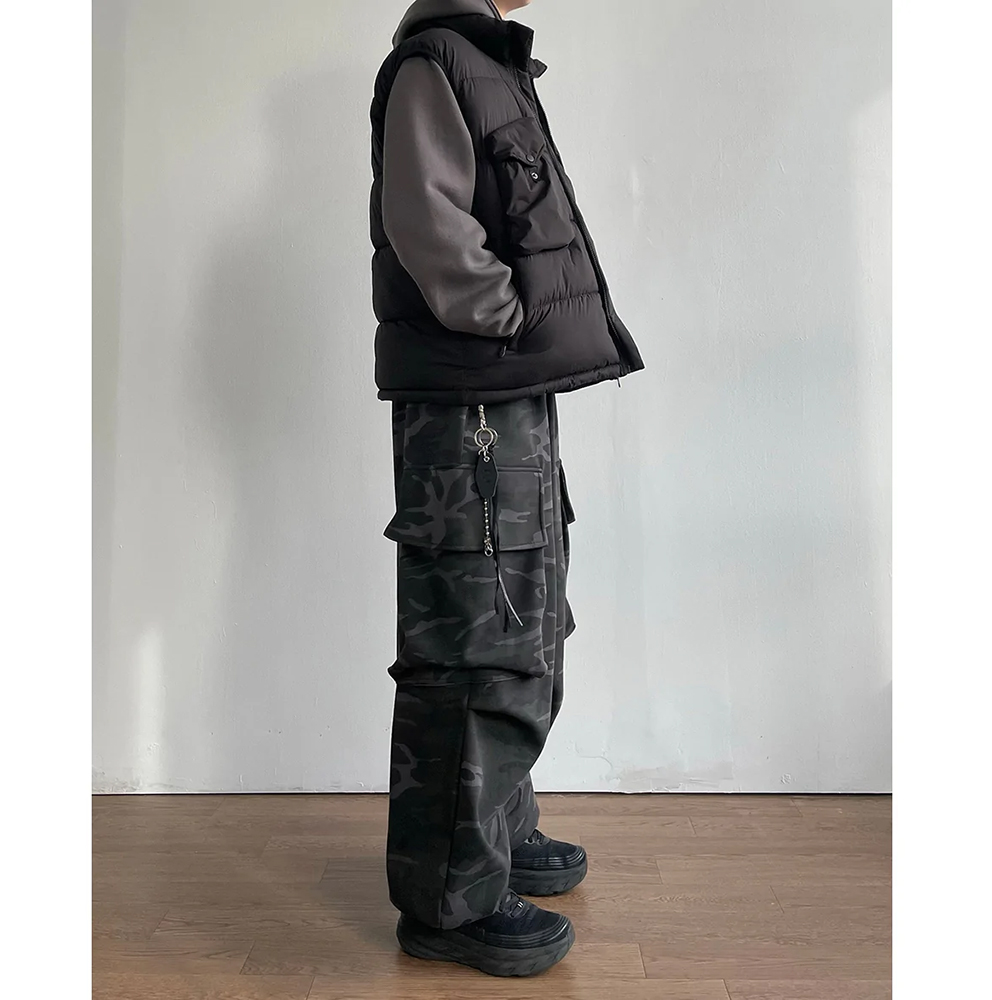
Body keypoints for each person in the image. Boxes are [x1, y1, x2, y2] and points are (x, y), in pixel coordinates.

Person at [368, 0, 644, 978]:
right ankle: (450, 897)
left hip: (505, 386)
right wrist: (512, 318)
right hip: (471, 391)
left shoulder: (484, 60)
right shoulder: (435, 61)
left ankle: (494, 830)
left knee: (526, 618)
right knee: (475, 640)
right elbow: (430, 226)